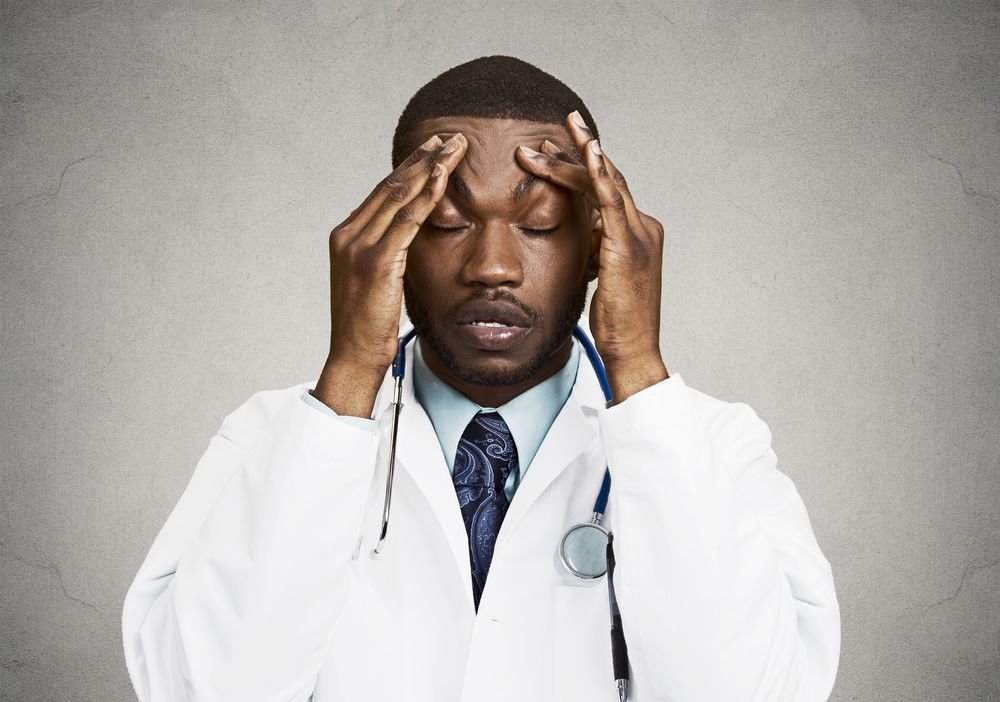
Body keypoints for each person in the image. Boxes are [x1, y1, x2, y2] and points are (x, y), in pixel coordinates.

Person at [122, 56, 840, 701]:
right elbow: (202, 690)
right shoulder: (276, 438)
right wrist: (347, 379)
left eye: (540, 224)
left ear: (601, 248)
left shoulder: (712, 445)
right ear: (386, 239)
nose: (491, 266)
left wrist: (639, 374)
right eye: (444, 224)